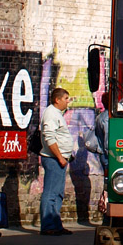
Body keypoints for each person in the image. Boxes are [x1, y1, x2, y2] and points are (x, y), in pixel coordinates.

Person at [40, 87, 75, 236]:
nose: (68, 102)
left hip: (59, 159)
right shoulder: (51, 114)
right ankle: (48, 226)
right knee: (51, 193)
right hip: (54, 159)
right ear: (57, 100)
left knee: (58, 193)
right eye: (66, 98)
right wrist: (60, 157)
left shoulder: (57, 114)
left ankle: (56, 225)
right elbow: (49, 138)